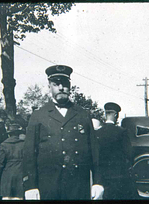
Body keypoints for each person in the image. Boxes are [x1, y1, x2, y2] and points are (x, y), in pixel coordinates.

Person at [22, 65, 103, 200]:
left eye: (64, 84)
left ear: (69, 86)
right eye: (56, 84)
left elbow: (94, 151)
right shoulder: (39, 115)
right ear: (49, 86)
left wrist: (98, 182)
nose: (61, 88)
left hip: (78, 186)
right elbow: (29, 153)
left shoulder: (83, 114)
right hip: (48, 186)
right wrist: (30, 185)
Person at [96, 102, 138, 200]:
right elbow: (129, 154)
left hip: (102, 176)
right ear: (115, 115)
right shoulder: (121, 132)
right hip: (119, 176)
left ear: (105, 114)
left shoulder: (97, 133)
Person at [0, 122, 26, 200]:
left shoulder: (4, 144)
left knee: (7, 197)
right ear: (18, 134)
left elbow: (1, 163)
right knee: (19, 197)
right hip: (20, 173)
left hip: (7, 175)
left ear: (9, 134)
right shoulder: (23, 144)